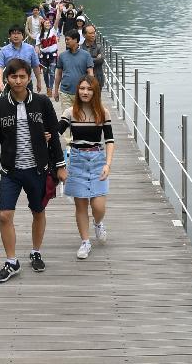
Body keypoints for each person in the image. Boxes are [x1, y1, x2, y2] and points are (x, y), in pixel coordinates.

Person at [0, 58, 67, 282]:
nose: (18, 81)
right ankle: (11, 262)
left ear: (29, 77)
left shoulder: (41, 102)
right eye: (13, 77)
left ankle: (36, 251)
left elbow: (54, 135)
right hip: (11, 171)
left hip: (37, 169)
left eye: (22, 76)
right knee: (4, 215)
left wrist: (60, 166)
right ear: (7, 79)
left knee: (38, 211)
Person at [58, 75, 115, 259]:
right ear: (77, 90)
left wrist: (107, 164)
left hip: (97, 159)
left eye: (89, 89)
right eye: (82, 88)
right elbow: (57, 129)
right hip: (77, 159)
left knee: (98, 206)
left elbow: (109, 140)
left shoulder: (102, 112)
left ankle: (98, 224)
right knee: (81, 205)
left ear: (95, 91)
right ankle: (85, 242)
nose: (85, 92)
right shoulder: (70, 112)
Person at [53, 29, 93, 111]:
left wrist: (90, 89)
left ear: (75, 40)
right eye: (65, 40)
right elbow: (59, 74)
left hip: (81, 92)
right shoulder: (62, 56)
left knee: (80, 117)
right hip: (65, 92)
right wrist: (56, 90)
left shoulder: (86, 55)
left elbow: (90, 73)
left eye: (68, 39)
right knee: (67, 118)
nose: (66, 42)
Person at [0, 25, 43, 94]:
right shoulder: (4, 50)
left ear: (23, 36)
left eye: (18, 33)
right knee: (11, 103)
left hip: (26, 82)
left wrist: (39, 81)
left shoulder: (30, 49)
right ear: (10, 36)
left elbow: (35, 66)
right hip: (11, 83)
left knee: (29, 103)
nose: (16, 36)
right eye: (13, 33)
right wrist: (0, 82)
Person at [37, 16, 59, 98]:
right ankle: (47, 87)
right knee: (45, 72)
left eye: (49, 23)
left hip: (53, 55)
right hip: (43, 56)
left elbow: (57, 20)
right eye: (46, 23)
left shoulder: (53, 31)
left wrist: (59, 11)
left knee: (52, 72)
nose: (48, 24)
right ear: (42, 25)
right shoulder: (39, 35)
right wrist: (36, 56)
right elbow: (37, 46)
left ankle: (51, 88)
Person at [82, 24, 105, 89]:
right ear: (84, 35)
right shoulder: (80, 48)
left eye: (94, 32)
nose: (93, 35)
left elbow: (101, 60)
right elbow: (81, 62)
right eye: (90, 33)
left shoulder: (99, 47)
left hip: (98, 79)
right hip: (84, 80)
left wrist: (86, 60)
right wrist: (96, 58)